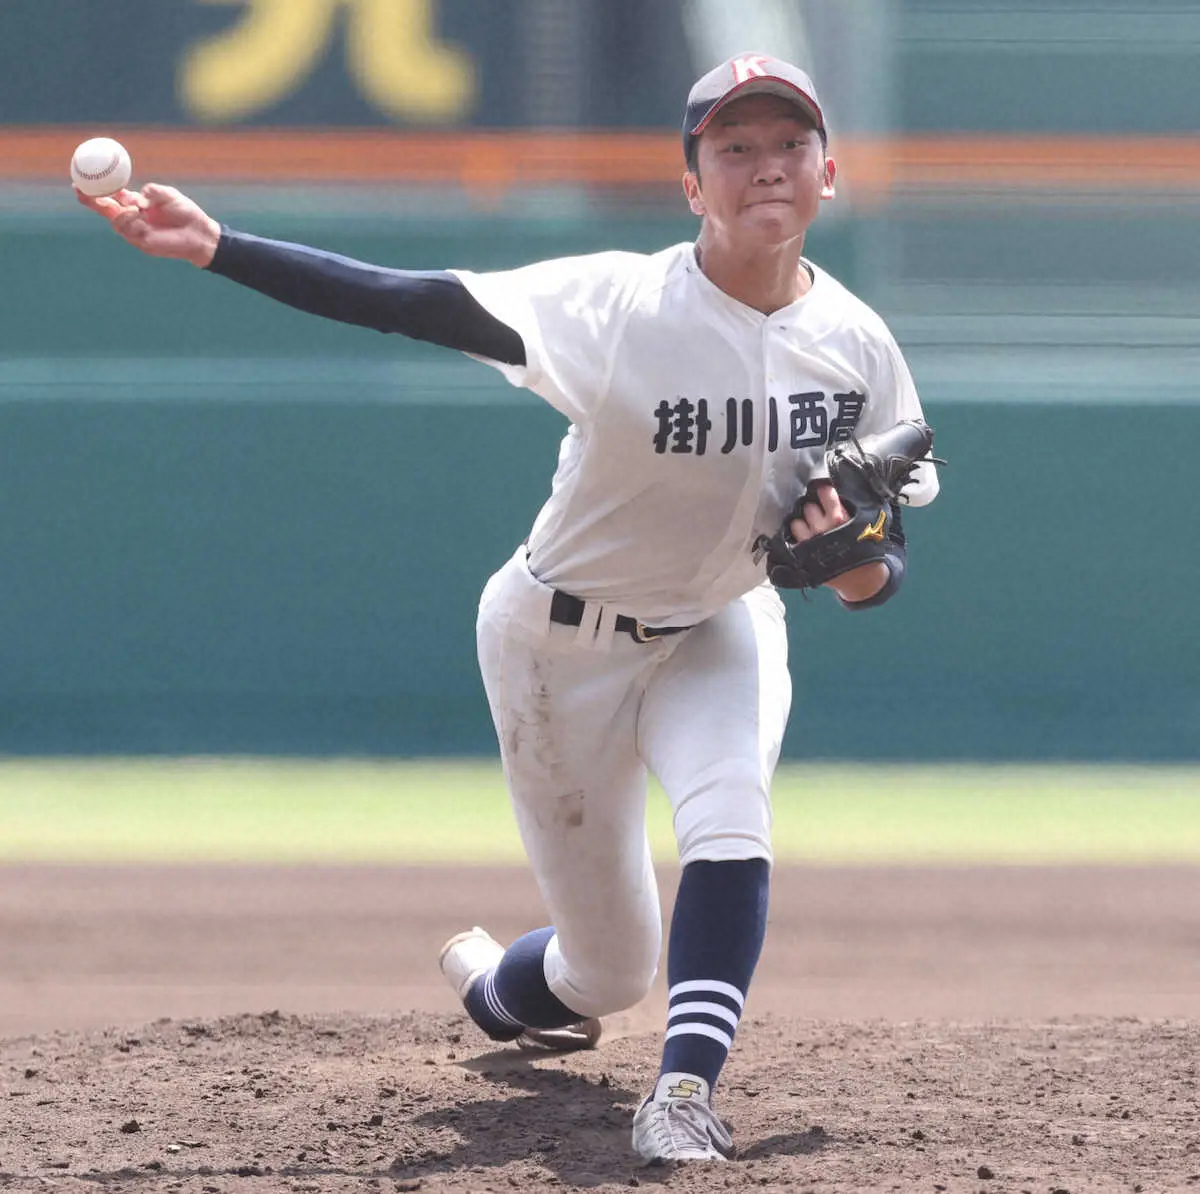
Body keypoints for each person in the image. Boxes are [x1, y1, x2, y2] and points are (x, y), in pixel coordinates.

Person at [78, 52, 939, 1164]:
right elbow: (415, 303)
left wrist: (854, 563)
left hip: (718, 627)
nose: (764, 167)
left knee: (731, 815)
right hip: (554, 642)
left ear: (829, 174)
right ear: (692, 186)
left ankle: (683, 1091)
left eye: (788, 146)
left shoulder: (859, 343)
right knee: (610, 969)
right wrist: (219, 248)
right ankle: (499, 988)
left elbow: (880, 566)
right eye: (734, 148)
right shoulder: (619, 304)